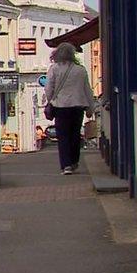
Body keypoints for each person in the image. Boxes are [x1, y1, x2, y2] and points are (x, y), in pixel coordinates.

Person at [44, 42, 96, 175]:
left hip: (60, 107)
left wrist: (50, 100)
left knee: (63, 136)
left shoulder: (54, 69)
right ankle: (74, 162)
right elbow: (87, 90)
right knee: (75, 135)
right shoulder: (81, 70)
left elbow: (48, 88)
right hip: (78, 107)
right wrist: (91, 107)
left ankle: (66, 165)